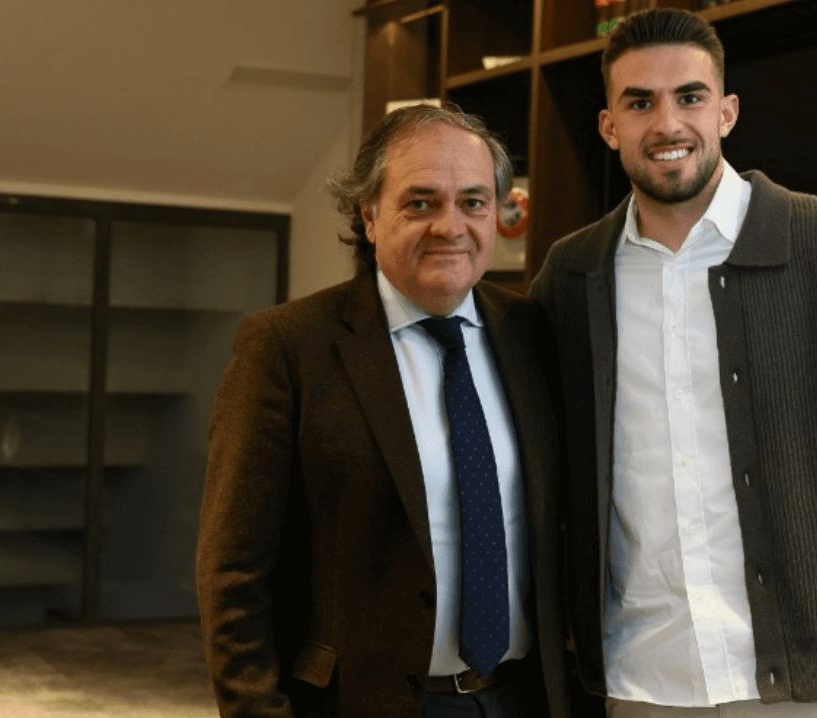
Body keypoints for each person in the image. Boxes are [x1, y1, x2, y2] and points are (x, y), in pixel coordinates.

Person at [529, 8, 817, 718]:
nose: (667, 123)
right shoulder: (573, 277)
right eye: (639, 102)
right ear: (610, 126)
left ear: (727, 111)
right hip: (640, 686)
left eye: (690, 97)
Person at [197, 104, 568, 718]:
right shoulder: (289, 347)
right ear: (369, 216)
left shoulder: (533, 335)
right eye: (420, 203)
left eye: (473, 202)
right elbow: (233, 572)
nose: (451, 226)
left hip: (519, 699)